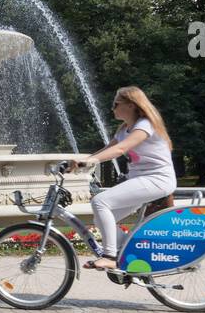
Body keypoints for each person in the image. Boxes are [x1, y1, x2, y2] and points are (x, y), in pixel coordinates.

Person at [68, 86, 177, 271]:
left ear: (131, 105)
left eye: (116, 104)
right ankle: (131, 252)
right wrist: (81, 162)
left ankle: (110, 256)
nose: (113, 108)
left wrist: (90, 161)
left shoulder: (144, 125)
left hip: (157, 179)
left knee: (100, 202)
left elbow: (120, 150)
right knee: (100, 218)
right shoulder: (124, 129)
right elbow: (106, 150)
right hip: (141, 181)